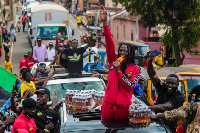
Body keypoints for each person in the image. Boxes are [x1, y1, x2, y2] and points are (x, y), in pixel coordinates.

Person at [100, 5, 141, 120]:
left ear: (130, 54)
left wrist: (119, 72)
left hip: (123, 108)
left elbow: (130, 86)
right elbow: (109, 43)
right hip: (108, 105)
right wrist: (105, 24)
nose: (122, 53)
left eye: (125, 51)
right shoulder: (113, 59)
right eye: (120, 50)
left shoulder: (136, 69)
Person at [147, 53, 185, 132]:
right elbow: (152, 75)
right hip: (154, 126)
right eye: (168, 82)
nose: (170, 85)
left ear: (177, 85)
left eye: (173, 84)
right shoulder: (163, 87)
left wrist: (144, 108)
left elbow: (163, 107)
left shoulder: (179, 97)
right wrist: (150, 61)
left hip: (168, 129)